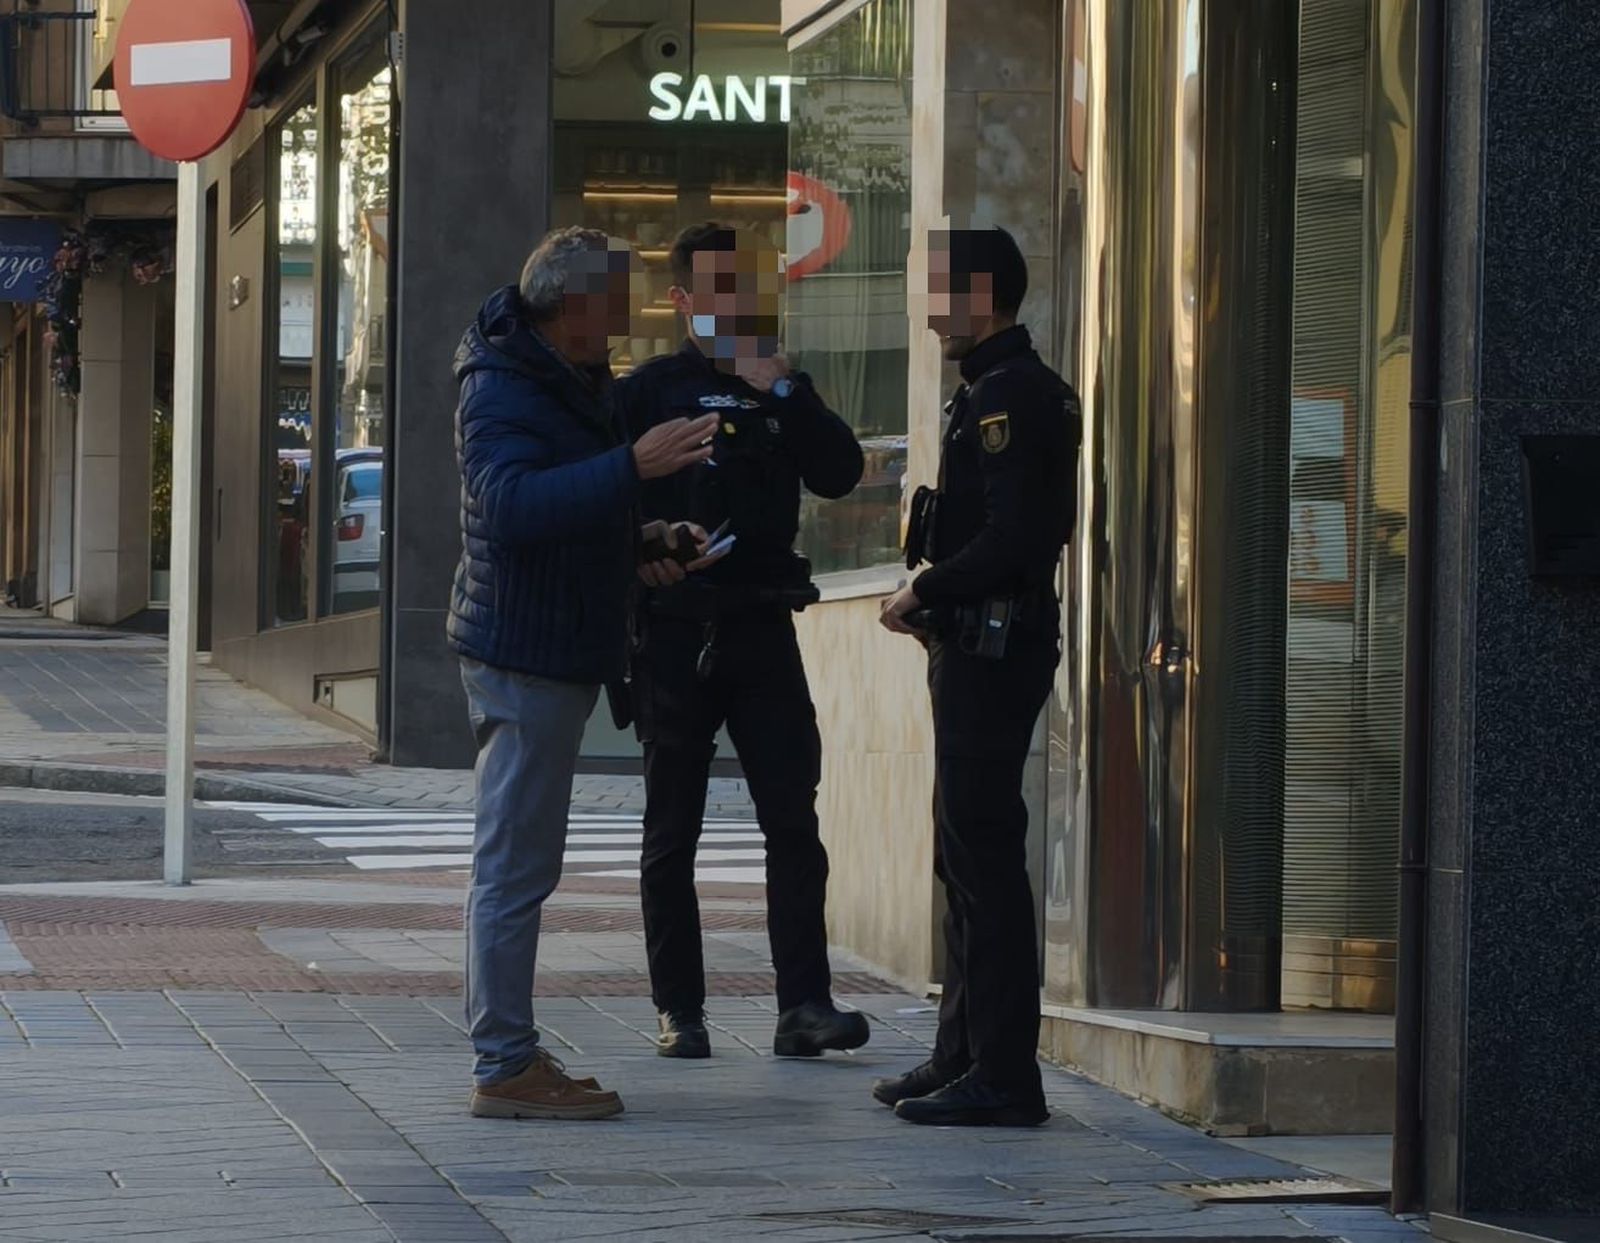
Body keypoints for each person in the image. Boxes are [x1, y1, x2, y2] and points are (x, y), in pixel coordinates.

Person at [449, 226, 721, 1120]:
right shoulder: (502, 381)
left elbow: (565, 508)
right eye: (614, 300)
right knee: (514, 864)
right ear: (570, 307)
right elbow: (508, 506)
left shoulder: (566, 373)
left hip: (552, 643)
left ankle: (509, 1052)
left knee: (521, 861)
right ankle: (504, 1063)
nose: (626, 316)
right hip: (523, 651)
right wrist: (632, 466)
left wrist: (643, 541)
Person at [615, 223, 869, 1060]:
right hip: (676, 629)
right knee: (672, 830)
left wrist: (784, 390)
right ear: (683, 299)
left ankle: (805, 1005)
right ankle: (679, 1010)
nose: (735, 304)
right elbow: (608, 500)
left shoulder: (781, 384)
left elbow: (840, 471)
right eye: (717, 288)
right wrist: (650, 546)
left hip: (763, 625)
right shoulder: (650, 391)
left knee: (792, 820)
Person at [877, 226, 1081, 1126]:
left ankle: (1004, 1074)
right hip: (975, 643)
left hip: (996, 647)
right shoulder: (992, 389)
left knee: (984, 855)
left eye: (943, 295)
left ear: (986, 295)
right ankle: (961, 1053)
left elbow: (1016, 537)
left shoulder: (1011, 394)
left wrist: (927, 587)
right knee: (960, 852)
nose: (931, 316)